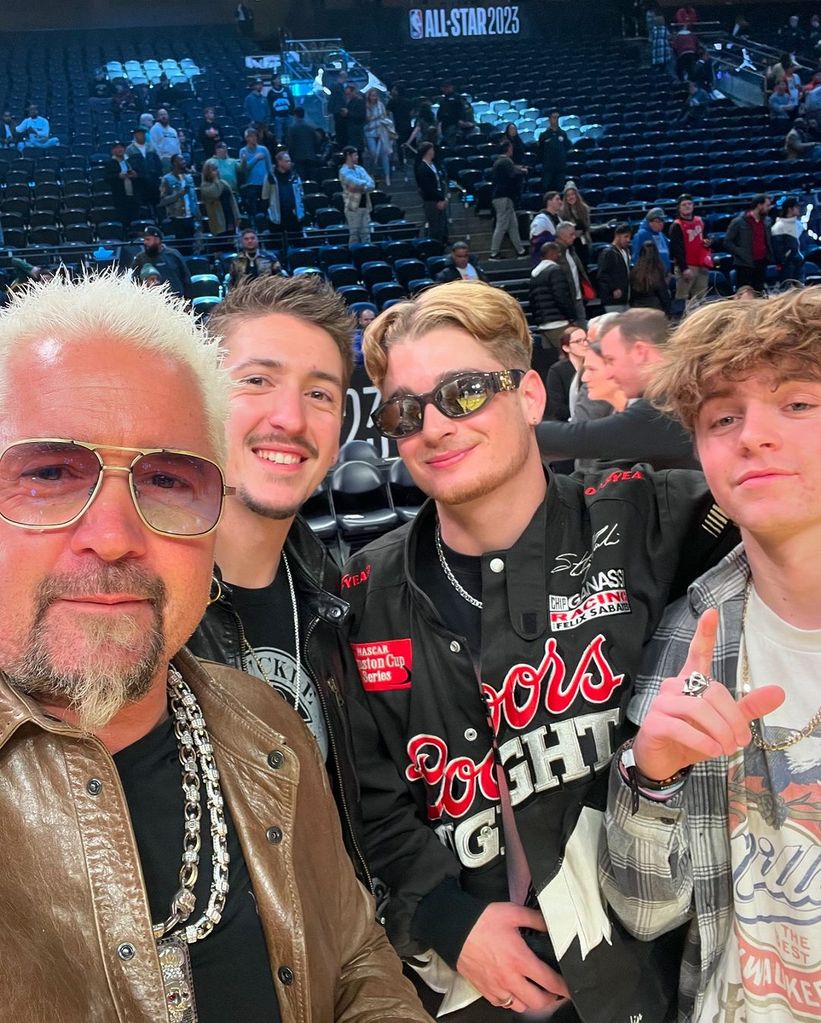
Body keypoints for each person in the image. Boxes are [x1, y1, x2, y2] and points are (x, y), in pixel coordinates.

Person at [0, 270, 430, 1023]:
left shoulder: (279, 695)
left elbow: (351, 947)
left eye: (166, 479)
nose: (111, 536)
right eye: (47, 473)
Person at [345, 280, 738, 1023]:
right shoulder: (364, 589)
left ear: (528, 395)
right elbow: (369, 799)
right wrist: (444, 918)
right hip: (474, 992)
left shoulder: (647, 514)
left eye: (463, 392)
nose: (433, 425)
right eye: (405, 410)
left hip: (649, 976)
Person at [600, 288, 821, 1023]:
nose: (751, 435)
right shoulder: (687, 632)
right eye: (723, 417)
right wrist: (648, 776)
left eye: (796, 403)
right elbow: (646, 912)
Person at [188, 273, 373, 886]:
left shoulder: (340, 601)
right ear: (202, 395)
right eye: (257, 381)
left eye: (319, 394)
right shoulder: (134, 608)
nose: (290, 419)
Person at [536, 308, 698, 470]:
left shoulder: (664, 406)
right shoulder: (679, 392)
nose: (610, 373)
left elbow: (578, 438)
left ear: (640, 352)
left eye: (611, 360)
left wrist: (517, 429)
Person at [530, 240, 578, 349]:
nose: (559, 255)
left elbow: (532, 300)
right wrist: (571, 317)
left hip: (543, 325)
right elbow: (561, 296)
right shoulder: (555, 270)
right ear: (551, 254)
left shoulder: (535, 274)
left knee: (550, 360)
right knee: (568, 357)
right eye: (558, 253)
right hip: (559, 323)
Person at [724, 195, 774, 293]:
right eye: (767, 205)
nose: (769, 208)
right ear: (759, 205)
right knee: (745, 293)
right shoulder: (738, 222)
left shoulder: (767, 221)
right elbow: (727, 242)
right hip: (744, 264)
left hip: (761, 262)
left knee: (759, 291)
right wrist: (741, 253)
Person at [668, 194, 712, 305]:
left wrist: (708, 242)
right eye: (684, 204)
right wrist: (684, 268)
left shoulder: (700, 221)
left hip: (702, 265)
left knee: (701, 297)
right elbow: (676, 249)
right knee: (682, 298)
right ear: (679, 207)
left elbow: (705, 237)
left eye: (689, 204)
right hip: (687, 266)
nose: (687, 206)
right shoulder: (676, 225)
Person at [489, 140, 527, 260]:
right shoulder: (506, 161)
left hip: (504, 197)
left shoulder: (500, 161)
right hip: (503, 197)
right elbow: (512, 175)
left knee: (512, 225)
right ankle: (494, 253)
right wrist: (522, 171)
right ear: (508, 149)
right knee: (502, 225)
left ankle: (520, 251)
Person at [132, 225, 192, 299]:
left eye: (148, 239)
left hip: (176, 301)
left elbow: (186, 278)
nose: (145, 242)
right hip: (151, 302)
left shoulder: (173, 254)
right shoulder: (140, 259)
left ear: (157, 240)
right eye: (144, 240)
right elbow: (134, 281)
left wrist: (188, 300)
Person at [265, 150, 305, 251]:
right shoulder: (270, 177)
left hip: (294, 216)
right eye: (287, 161)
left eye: (289, 161)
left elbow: (301, 192)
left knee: (298, 244)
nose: (289, 163)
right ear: (279, 162)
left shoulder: (295, 175)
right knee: (278, 246)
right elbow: (265, 196)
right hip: (277, 217)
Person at [159, 154, 200, 249]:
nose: (184, 162)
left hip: (191, 217)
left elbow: (194, 198)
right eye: (181, 160)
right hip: (177, 218)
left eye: (184, 160)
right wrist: (178, 195)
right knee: (181, 247)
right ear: (174, 163)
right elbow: (162, 201)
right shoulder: (167, 179)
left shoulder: (189, 178)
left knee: (191, 246)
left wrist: (198, 215)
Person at [556, 221, 591, 328]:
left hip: (578, 297)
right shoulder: (554, 252)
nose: (574, 237)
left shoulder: (571, 250)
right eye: (571, 234)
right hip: (566, 301)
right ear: (562, 235)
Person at [338, 145, 375, 245]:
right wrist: (363, 185)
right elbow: (354, 183)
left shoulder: (360, 169)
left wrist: (360, 187)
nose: (357, 157)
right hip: (352, 206)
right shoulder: (343, 171)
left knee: (366, 234)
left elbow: (371, 184)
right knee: (354, 234)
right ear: (348, 156)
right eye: (355, 155)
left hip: (365, 205)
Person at [415, 141, 448, 245]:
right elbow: (427, 188)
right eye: (432, 150)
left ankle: (441, 244)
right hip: (431, 201)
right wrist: (439, 198)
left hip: (439, 198)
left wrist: (444, 197)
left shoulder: (434, 165)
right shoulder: (422, 168)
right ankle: (435, 247)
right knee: (435, 228)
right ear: (428, 151)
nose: (434, 152)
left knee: (441, 227)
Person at [239, 127, 273, 230]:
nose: (254, 138)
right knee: (253, 209)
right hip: (251, 184)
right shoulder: (243, 151)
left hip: (264, 183)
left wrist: (271, 179)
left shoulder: (263, 149)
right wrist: (256, 158)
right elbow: (244, 170)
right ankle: (255, 228)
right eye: (251, 136)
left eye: (255, 136)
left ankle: (267, 226)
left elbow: (269, 166)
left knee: (265, 207)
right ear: (247, 138)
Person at [104, 140, 139, 231]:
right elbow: (107, 178)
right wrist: (118, 176)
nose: (120, 149)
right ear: (113, 151)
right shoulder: (110, 163)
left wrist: (135, 175)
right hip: (120, 196)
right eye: (117, 148)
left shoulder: (129, 161)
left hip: (132, 195)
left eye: (121, 147)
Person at [597, 224, 632, 313]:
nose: (628, 240)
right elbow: (602, 275)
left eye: (629, 237)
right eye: (626, 237)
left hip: (625, 299)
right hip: (613, 301)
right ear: (617, 236)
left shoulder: (625, 251)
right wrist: (613, 289)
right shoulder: (608, 253)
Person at [770, 195, 806, 283]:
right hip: (787, 266)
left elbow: (803, 244)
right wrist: (783, 262)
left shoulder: (799, 225)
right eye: (797, 207)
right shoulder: (778, 227)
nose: (799, 209)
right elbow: (777, 250)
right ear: (790, 209)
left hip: (800, 263)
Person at [629, 241, 672, 314]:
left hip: (637, 307)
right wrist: (668, 311)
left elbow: (632, 293)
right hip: (654, 309)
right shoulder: (658, 270)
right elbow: (663, 293)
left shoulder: (634, 270)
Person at [126, 124, 162, 210]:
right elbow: (127, 165)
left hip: (153, 180)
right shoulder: (129, 149)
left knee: (156, 202)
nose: (141, 136)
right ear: (135, 135)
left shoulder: (151, 147)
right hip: (139, 181)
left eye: (142, 134)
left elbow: (157, 163)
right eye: (139, 134)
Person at [201, 159, 240, 237]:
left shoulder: (224, 182)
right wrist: (216, 180)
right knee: (222, 240)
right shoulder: (205, 186)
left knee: (231, 238)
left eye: (217, 169)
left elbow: (232, 200)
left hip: (230, 216)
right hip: (218, 219)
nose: (216, 171)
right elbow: (216, 193)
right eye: (213, 170)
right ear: (208, 172)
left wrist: (237, 216)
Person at [364, 88, 393, 187]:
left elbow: (384, 116)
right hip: (370, 131)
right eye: (372, 95)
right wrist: (375, 116)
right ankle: (374, 174)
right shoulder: (366, 106)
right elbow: (366, 119)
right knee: (373, 153)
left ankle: (387, 176)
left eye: (375, 95)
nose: (374, 97)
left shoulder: (380, 105)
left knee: (384, 154)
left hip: (381, 130)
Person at [559, 183, 592, 264]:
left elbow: (588, 227)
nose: (571, 197)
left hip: (584, 242)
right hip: (570, 244)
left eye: (573, 194)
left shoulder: (584, 208)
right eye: (568, 195)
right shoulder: (562, 212)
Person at [537, 110, 570, 192]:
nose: (556, 120)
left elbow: (567, 148)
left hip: (560, 168)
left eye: (558, 118)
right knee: (547, 189)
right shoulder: (544, 135)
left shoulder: (563, 134)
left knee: (560, 189)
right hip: (548, 169)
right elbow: (540, 151)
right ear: (549, 119)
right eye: (554, 118)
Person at [632, 207, 672, 274]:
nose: (661, 224)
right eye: (658, 221)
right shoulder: (641, 235)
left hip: (664, 276)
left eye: (662, 221)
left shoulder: (661, 235)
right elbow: (636, 258)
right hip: (649, 277)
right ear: (649, 222)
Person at [286, 106, 319, 182]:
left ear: (295, 115)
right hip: (311, 156)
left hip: (298, 158)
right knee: (311, 181)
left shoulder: (292, 128)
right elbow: (316, 142)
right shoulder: (311, 127)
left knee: (301, 180)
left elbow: (291, 144)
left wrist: (290, 157)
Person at [529, 191, 563, 264]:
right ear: (549, 202)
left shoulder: (559, 218)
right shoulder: (541, 219)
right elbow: (535, 240)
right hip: (543, 260)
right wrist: (555, 239)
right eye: (557, 199)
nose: (560, 202)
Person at [437, 81, 469, 145]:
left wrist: (461, 120)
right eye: (444, 88)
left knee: (453, 141)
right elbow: (440, 112)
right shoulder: (443, 99)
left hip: (455, 124)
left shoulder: (457, 97)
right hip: (445, 124)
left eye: (447, 87)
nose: (445, 89)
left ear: (451, 87)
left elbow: (462, 110)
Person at [267, 73, 294, 145]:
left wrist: (291, 113)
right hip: (278, 118)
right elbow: (270, 106)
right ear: (273, 81)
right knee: (279, 135)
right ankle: (280, 149)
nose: (280, 80)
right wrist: (274, 116)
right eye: (278, 78)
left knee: (290, 134)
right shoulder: (271, 93)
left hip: (288, 116)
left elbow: (292, 101)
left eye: (280, 78)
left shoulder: (286, 90)